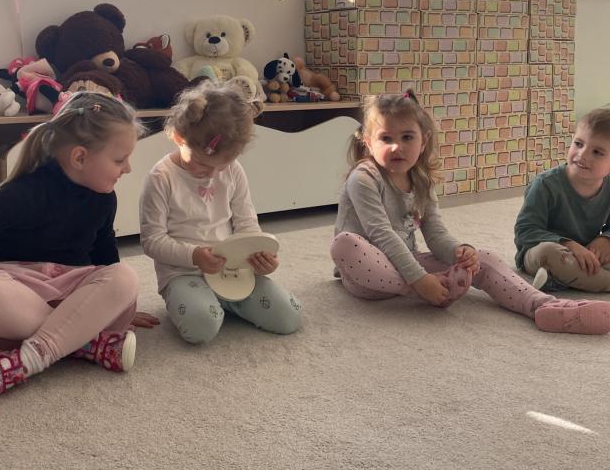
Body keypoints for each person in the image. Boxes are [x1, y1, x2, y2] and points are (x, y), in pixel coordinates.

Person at [0, 91, 158, 412]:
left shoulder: (104, 198)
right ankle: (82, 341)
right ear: (80, 157)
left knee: (125, 278)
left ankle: (25, 361)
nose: (127, 168)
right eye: (119, 159)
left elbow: (104, 251)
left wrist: (118, 304)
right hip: (19, 291)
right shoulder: (26, 193)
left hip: (70, 291)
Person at [330, 91, 610, 335]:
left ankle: (545, 306)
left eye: (407, 137)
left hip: (406, 262)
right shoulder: (363, 178)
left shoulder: (421, 180)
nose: (396, 147)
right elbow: (381, 234)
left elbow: (435, 233)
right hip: (365, 274)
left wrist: (459, 252)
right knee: (344, 244)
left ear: (423, 141)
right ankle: (417, 290)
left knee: (483, 258)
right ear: (368, 142)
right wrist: (420, 281)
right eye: (385, 138)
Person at [139, 80, 302, 344]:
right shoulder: (161, 177)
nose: (212, 175)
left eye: (222, 166)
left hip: (233, 268)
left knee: (289, 317)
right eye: (203, 165)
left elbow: (246, 223)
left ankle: (224, 302)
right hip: (183, 272)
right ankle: (203, 303)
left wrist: (260, 256)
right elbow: (152, 241)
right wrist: (194, 256)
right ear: (179, 138)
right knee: (201, 327)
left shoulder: (233, 171)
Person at [515, 108, 610, 293]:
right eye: (579, 144)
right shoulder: (544, 184)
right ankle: (597, 280)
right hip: (543, 251)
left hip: (586, 252)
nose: (582, 154)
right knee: (549, 254)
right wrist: (567, 244)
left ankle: (560, 280)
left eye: (597, 152)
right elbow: (525, 231)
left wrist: (605, 238)